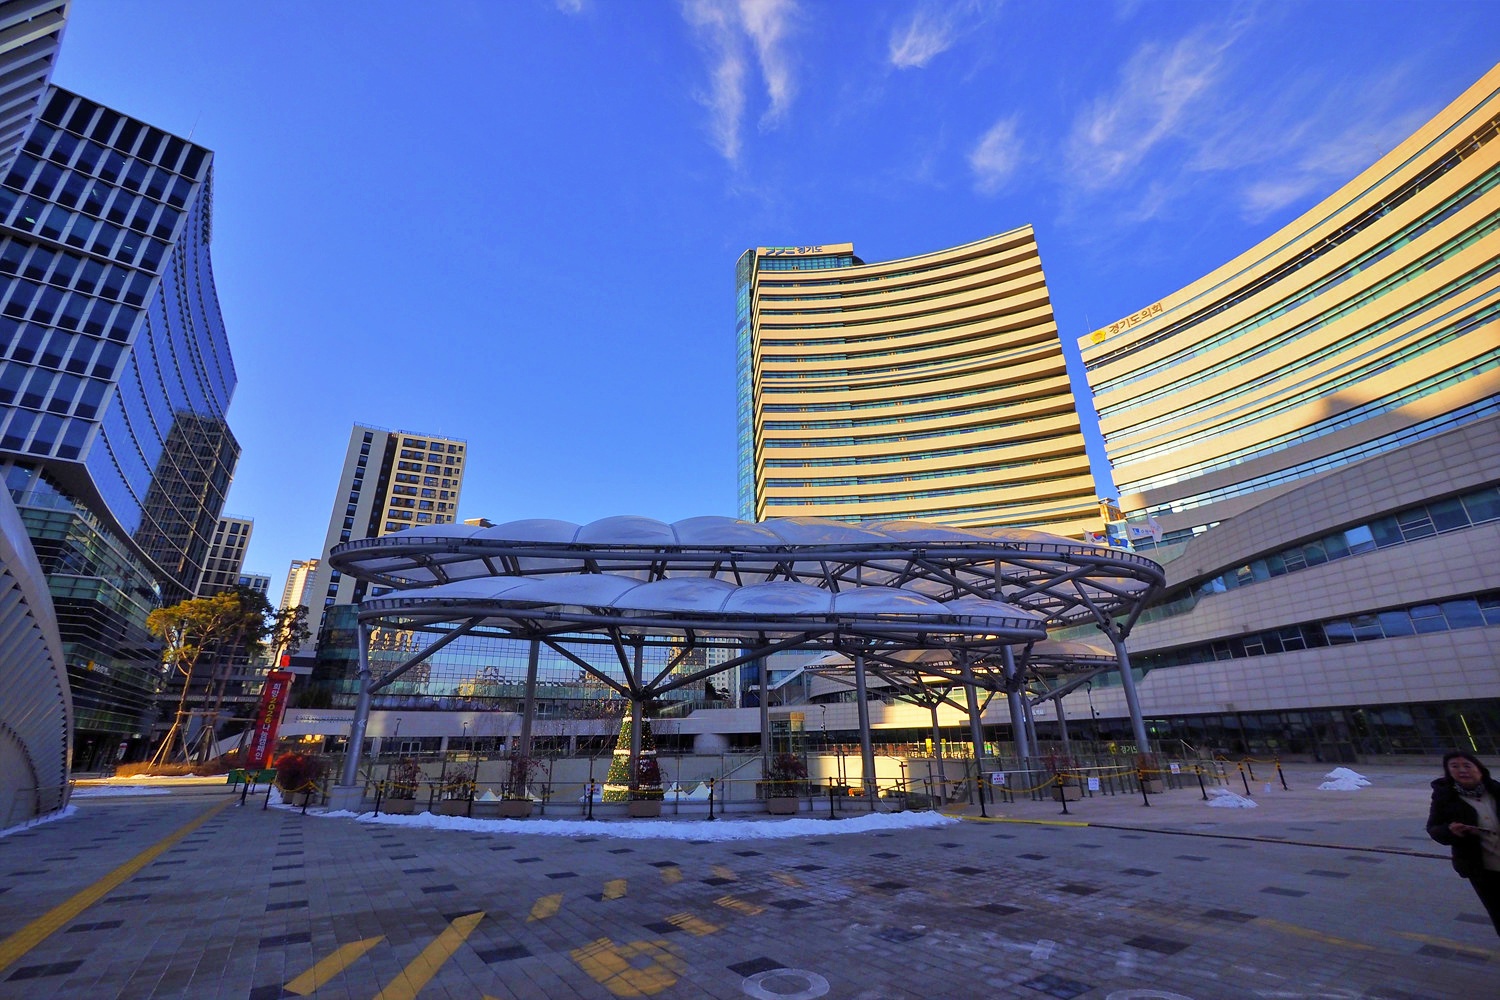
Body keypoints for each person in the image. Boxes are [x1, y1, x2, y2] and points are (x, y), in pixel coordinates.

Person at [1426, 750, 1500, 935]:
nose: (1462, 770)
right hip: (1482, 869)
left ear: (1479, 769)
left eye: (1467, 765)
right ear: (1448, 771)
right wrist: (1449, 831)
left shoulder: (1497, 791)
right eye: (1454, 766)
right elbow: (1433, 828)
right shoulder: (1445, 798)